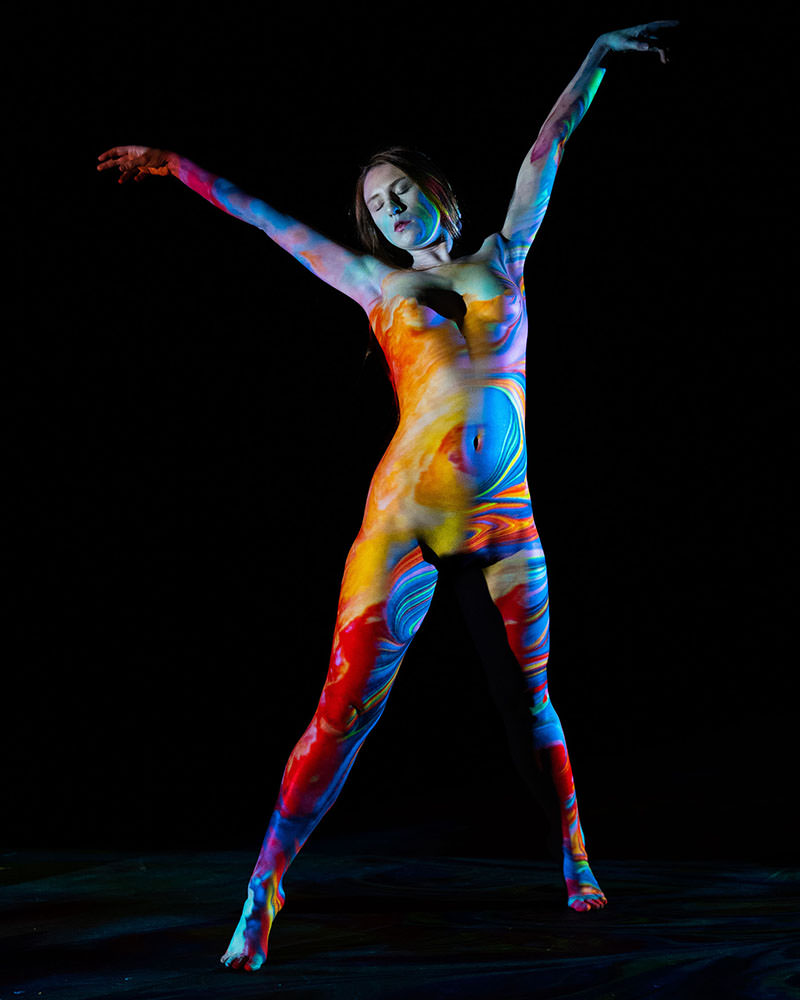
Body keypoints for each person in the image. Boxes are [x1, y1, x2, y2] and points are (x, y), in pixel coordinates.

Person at [98, 20, 677, 971]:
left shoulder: (504, 256)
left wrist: (595, 56)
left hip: (504, 520)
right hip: (401, 521)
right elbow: (263, 218)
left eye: (404, 190)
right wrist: (174, 164)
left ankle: (573, 849)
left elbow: (546, 145)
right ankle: (265, 883)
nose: (395, 209)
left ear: (437, 192)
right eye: (379, 205)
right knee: (343, 711)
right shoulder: (375, 284)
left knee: (531, 706)